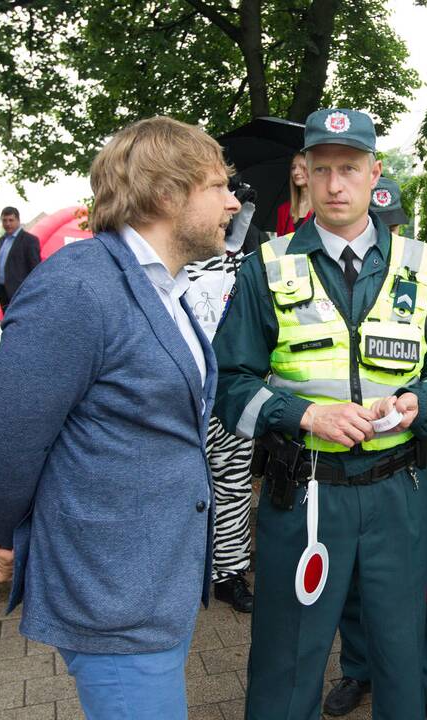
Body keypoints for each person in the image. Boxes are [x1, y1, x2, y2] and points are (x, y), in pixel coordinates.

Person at [0, 116, 240, 720]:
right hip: (112, 595)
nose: (233, 201)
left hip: (159, 584)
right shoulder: (78, 288)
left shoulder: (166, 286)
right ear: (166, 194)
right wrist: (3, 536)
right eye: (218, 186)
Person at [213, 107, 427, 720]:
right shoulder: (268, 265)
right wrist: (305, 415)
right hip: (303, 493)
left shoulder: (420, 263)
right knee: (287, 658)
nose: (336, 184)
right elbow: (227, 384)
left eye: (350, 169)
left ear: (373, 171)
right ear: (302, 172)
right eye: (322, 169)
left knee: (401, 653)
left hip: (400, 491)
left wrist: (419, 404)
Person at [322, 175, 427, 720]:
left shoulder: (421, 270)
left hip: (409, 463)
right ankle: (358, 669)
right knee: (354, 587)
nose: (382, 230)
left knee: (420, 586)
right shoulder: (330, 271)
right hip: (340, 468)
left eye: (390, 222)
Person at [184, 178, 259, 614]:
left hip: (233, 396)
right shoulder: (169, 267)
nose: (232, 209)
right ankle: (188, 569)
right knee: (184, 488)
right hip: (185, 400)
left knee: (232, 485)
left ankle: (230, 572)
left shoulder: (246, 267)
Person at [0, 206, 42, 312]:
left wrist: (31, 292)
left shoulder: (29, 240)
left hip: (20, 292)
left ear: (18, 220)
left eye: (11, 220)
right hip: (2, 291)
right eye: (4, 220)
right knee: (7, 325)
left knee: (20, 325)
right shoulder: (1, 240)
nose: (8, 224)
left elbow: (35, 268)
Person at [275, 151, 313, 235]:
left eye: (302, 167)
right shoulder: (283, 210)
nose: (296, 172)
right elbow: (280, 245)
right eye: (293, 167)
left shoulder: (322, 209)